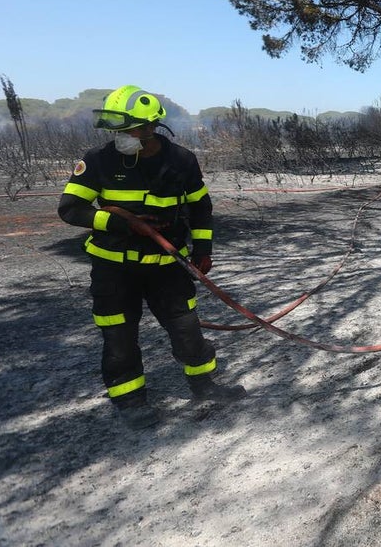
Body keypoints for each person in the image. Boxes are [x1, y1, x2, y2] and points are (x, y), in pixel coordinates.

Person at [58, 85, 246, 429]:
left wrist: (204, 250)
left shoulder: (182, 161)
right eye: (114, 131)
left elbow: (201, 208)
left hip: (167, 268)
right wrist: (120, 222)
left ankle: (204, 384)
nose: (119, 138)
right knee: (119, 339)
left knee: (187, 331)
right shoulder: (98, 161)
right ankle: (130, 401)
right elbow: (70, 209)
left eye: (126, 130)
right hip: (113, 270)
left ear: (149, 127)